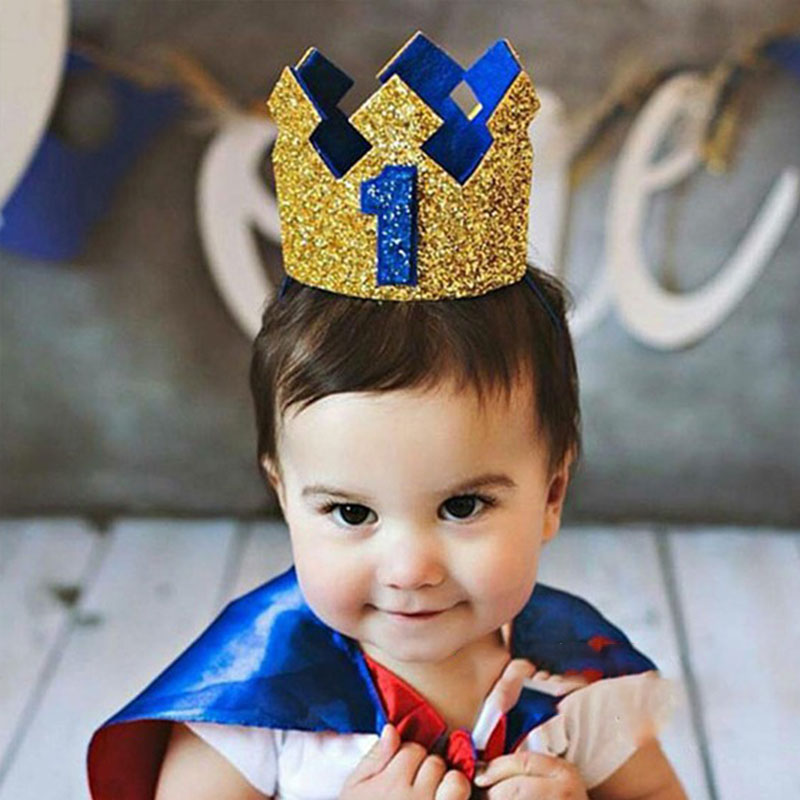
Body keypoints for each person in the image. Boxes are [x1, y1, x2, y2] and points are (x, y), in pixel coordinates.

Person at [87, 32, 686, 800]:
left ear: (552, 495)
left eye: (463, 505)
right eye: (349, 511)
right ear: (282, 494)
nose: (410, 569)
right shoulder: (252, 706)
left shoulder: (582, 685)